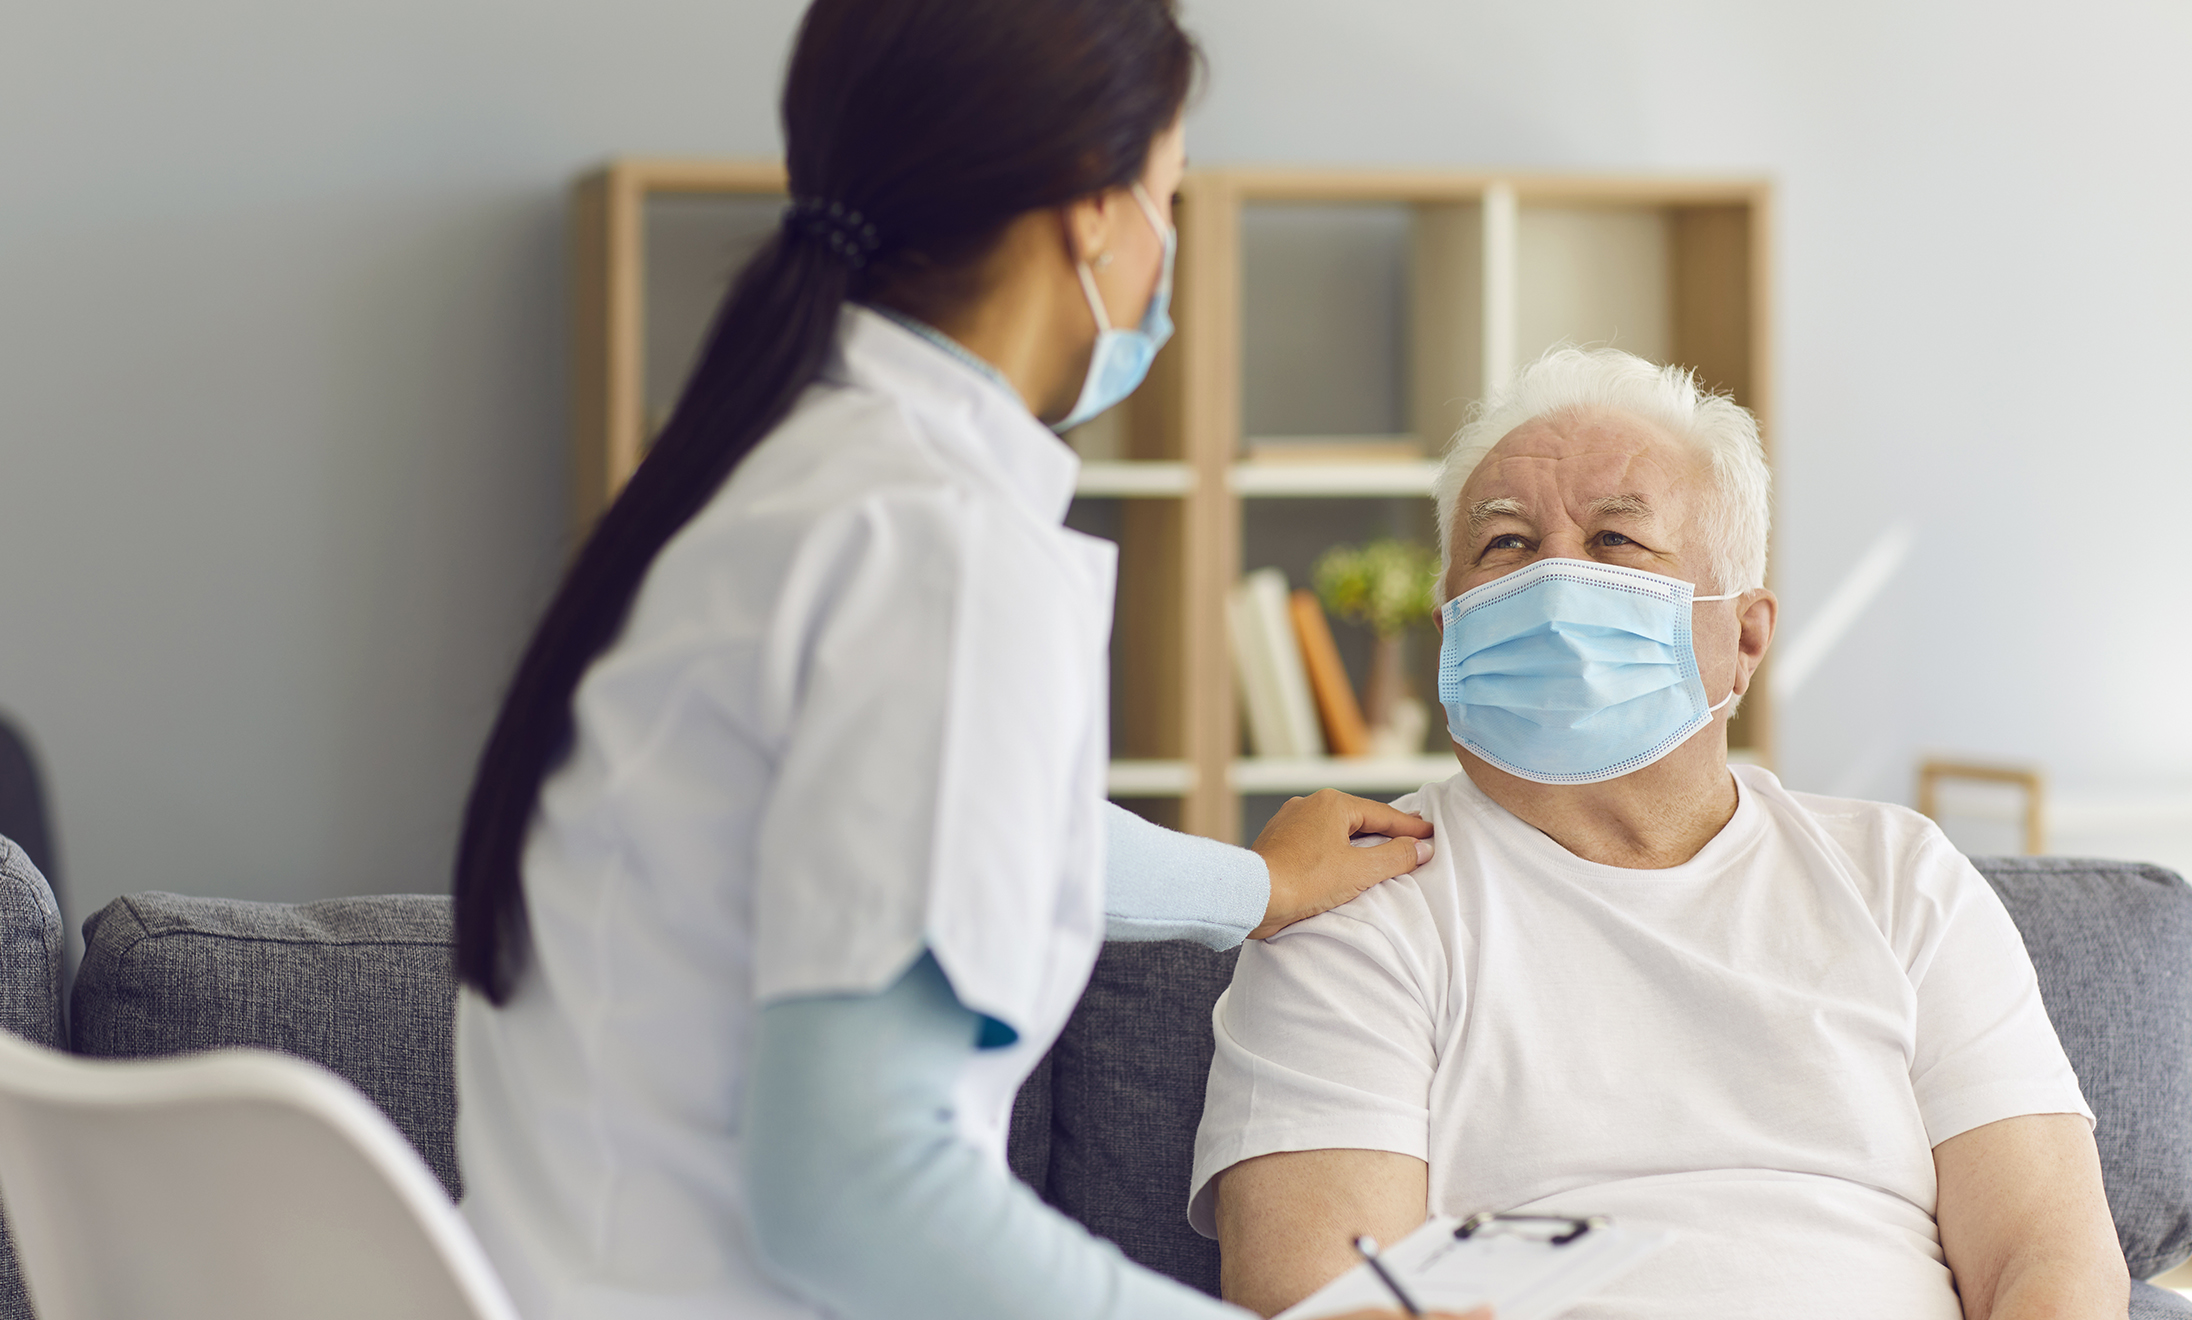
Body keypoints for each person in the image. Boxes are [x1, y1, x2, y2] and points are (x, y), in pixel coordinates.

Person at [447, 3, 1465, 1319]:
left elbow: (933, 823)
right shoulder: (942, 551)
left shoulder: (762, 485)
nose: (1172, 243)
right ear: (1090, 213)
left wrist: (1250, 886)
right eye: (1171, 193)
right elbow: (857, 1197)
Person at [1191, 346, 2129, 1320]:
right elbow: (1323, 1295)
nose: (1553, 576)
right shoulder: (1351, 900)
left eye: (1614, 542)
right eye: (1504, 545)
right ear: (1448, 628)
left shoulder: (1900, 877)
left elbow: (2050, 1258)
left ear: (1747, 638)